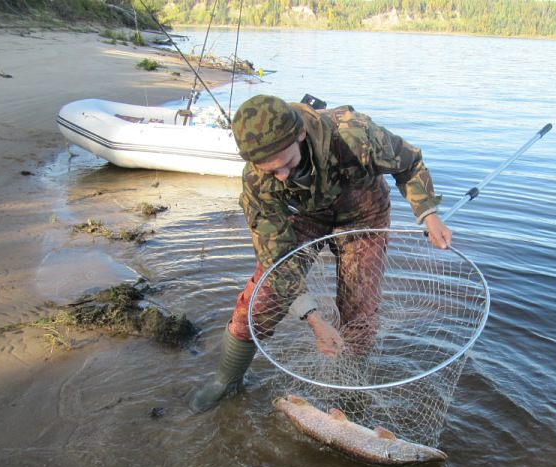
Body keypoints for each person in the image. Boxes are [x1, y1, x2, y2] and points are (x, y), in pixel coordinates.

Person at [190, 94, 452, 412]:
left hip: (363, 214)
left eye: (286, 164)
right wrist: (314, 319)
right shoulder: (258, 181)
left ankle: (350, 396)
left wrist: (427, 213)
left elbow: (409, 163)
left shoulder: (355, 137)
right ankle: (226, 380)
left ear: (300, 134)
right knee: (262, 300)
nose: (282, 176)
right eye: (272, 172)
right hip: (304, 216)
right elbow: (275, 256)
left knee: (360, 313)